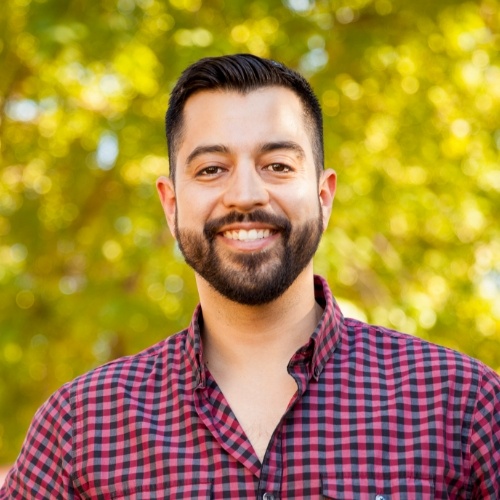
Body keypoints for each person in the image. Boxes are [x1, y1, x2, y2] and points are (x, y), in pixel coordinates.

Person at [1, 54, 499, 499]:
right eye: (212, 169)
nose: (245, 194)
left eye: (277, 165)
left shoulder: (464, 405)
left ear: (324, 197)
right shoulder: (80, 427)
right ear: (171, 204)